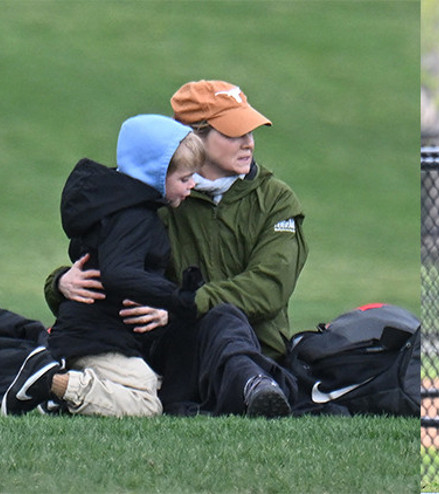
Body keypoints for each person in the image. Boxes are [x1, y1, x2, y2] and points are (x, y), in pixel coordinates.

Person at [45, 81, 310, 417]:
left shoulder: (275, 200)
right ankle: (250, 391)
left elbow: (269, 287)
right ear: (191, 136)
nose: (249, 143)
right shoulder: (158, 195)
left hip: (256, 351)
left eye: (250, 132)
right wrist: (59, 283)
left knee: (222, 318)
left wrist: (187, 304)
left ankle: (255, 386)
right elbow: (113, 267)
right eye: (233, 133)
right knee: (216, 319)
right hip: (172, 349)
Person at [3, 114, 203, 417]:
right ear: (157, 173)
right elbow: (118, 273)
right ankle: (53, 385)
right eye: (184, 179)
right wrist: (175, 296)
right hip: (94, 338)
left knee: (152, 382)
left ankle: (54, 392)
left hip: (95, 333)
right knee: (145, 403)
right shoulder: (135, 218)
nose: (192, 185)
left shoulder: (114, 207)